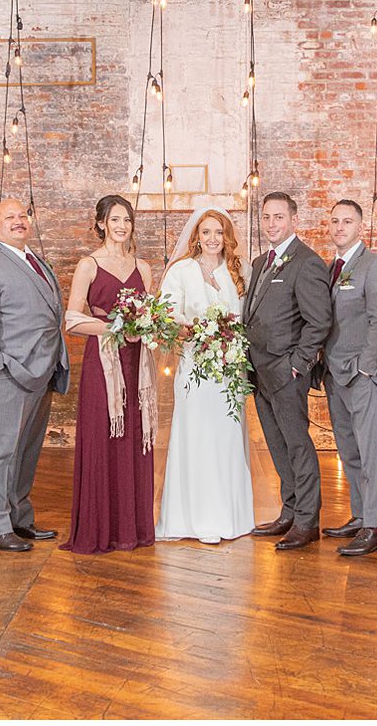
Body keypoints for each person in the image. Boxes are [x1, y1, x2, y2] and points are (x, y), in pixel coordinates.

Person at [0, 198, 71, 552]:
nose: (19, 221)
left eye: (23, 215)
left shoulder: (35, 260)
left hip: (42, 371)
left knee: (26, 451)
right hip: (8, 374)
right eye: (9, 217)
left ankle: (19, 519)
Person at [61, 195, 158, 554]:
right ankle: (100, 529)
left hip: (136, 364)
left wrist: (146, 326)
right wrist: (113, 329)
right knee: (104, 436)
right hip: (102, 364)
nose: (121, 226)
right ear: (101, 223)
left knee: (135, 436)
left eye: (127, 220)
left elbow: (151, 314)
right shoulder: (89, 265)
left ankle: (133, 529)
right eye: (114, 220)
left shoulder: (142, 267)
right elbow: (72, 320)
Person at [156, 206, 256, 544]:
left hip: (230, 371)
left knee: (226, 438)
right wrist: (197, 331)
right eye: (206, 232)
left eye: (218, 232)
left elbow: (250, 317)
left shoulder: (240, 270)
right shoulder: (181, 271)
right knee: (196, 437)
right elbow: (169, 317)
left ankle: (230, 516)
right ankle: (193, 518)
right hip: (195, 369)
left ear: (226, 236)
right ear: (196, 237)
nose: (212, 239)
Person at [243, 192, 332, 551]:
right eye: (266, 217)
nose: (271, 224)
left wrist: (298, 364)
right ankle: (290, 510)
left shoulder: (307, 262)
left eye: (279, 217)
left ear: (293, 219)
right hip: (259, 372)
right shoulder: (260, 262)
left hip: (286, 372)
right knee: (277, 446)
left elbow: (319, 321)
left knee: (298, 446)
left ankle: (308, 521)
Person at [317, 199, 377, 557]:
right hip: (334, 373)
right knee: (349, 450)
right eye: (334, 221)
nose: (339, 228)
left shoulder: (375, 265)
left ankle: (376, 526)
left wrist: (367, 366)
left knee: (372, 451)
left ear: (360, 227)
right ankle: (360, 513)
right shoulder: (330, 267)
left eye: (346, 221)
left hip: (362, 374)